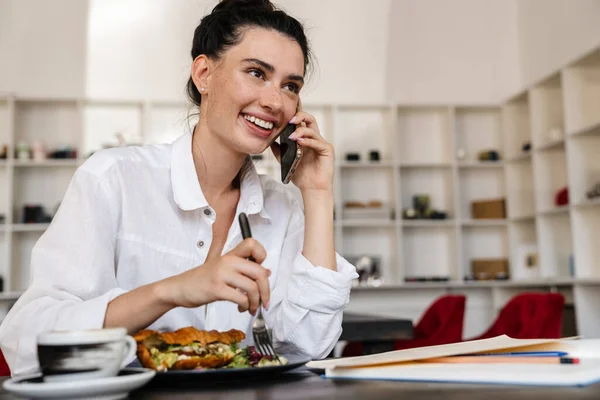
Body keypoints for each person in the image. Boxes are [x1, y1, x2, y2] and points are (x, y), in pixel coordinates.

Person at [0, 0, 358, 376]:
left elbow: (307, 345)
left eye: (290, 86)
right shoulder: (114, 178)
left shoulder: (284, 205)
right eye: (256, 72)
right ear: (204, 73)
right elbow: (28, 336)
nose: (274, 101)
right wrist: (171, 291)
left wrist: (317, 195)